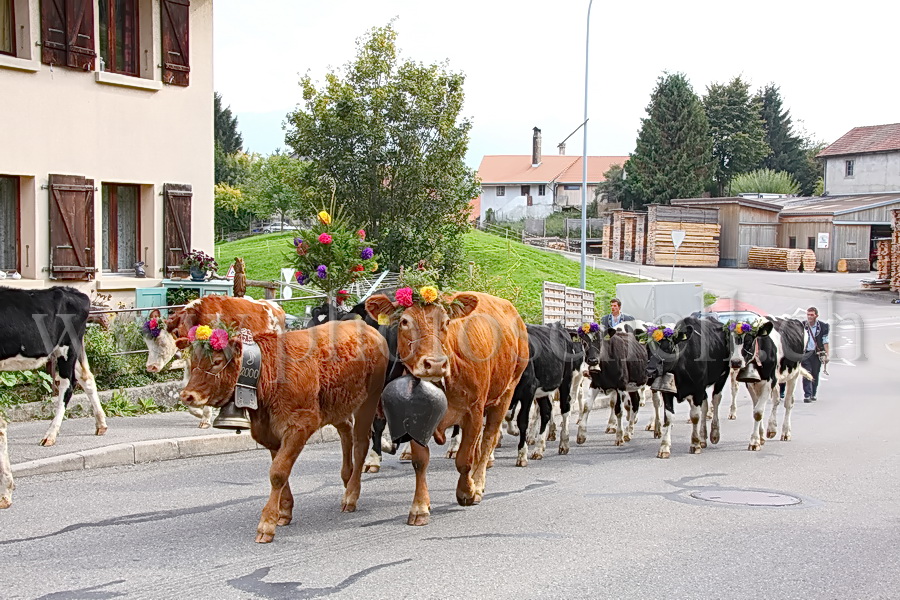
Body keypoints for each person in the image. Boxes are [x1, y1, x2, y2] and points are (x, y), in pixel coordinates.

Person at [801, 306, 829, 403]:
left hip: (817, 354)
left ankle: (813, 393)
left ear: (816, 315)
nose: (809, 317)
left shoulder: (822, 326)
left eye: (812, 315)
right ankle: (807, 395)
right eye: (808, 314)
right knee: (806, 373)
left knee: (815, 374)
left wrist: (827, 355)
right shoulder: (802, 325)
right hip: (805, 353)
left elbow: (825, 341)